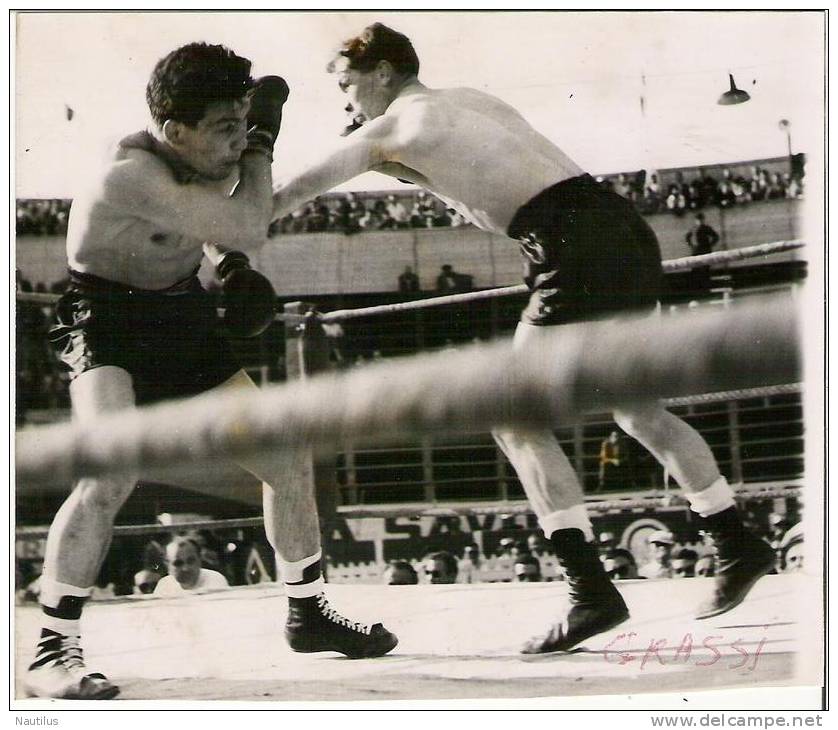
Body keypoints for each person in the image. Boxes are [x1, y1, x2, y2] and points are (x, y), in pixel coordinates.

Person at [271, 22, 774, 654]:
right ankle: (737, 542)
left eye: (347, 85)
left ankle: (590, 591)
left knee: (513, 416)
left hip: (569, 245)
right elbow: (484, 188)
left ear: (381, 72)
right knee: (637, 409)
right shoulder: (470, 102)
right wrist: (406, 175)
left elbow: (289, 194)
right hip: (615, 224)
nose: (346, 102)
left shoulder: (389, 126)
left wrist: (219, 218)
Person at [24, 42, 396, 701]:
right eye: (226, 129)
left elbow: (224, 225)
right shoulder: (129, 174)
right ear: (176, 131)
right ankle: (54, 645)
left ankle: (307, 614)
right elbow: (249, 216)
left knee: (285, 460)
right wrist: (262, 146)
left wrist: (231, 269)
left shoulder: (200, 159)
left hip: (181, 312)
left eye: (242, 125)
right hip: (106, 318)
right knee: (111, 471)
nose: (237, 143)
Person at [154, 536, 230, 595]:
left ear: (200, 559)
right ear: (167, 565)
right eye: (178, 563)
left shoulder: (215, 580)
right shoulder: (164, 585)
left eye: (191, 561)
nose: (185, 568)